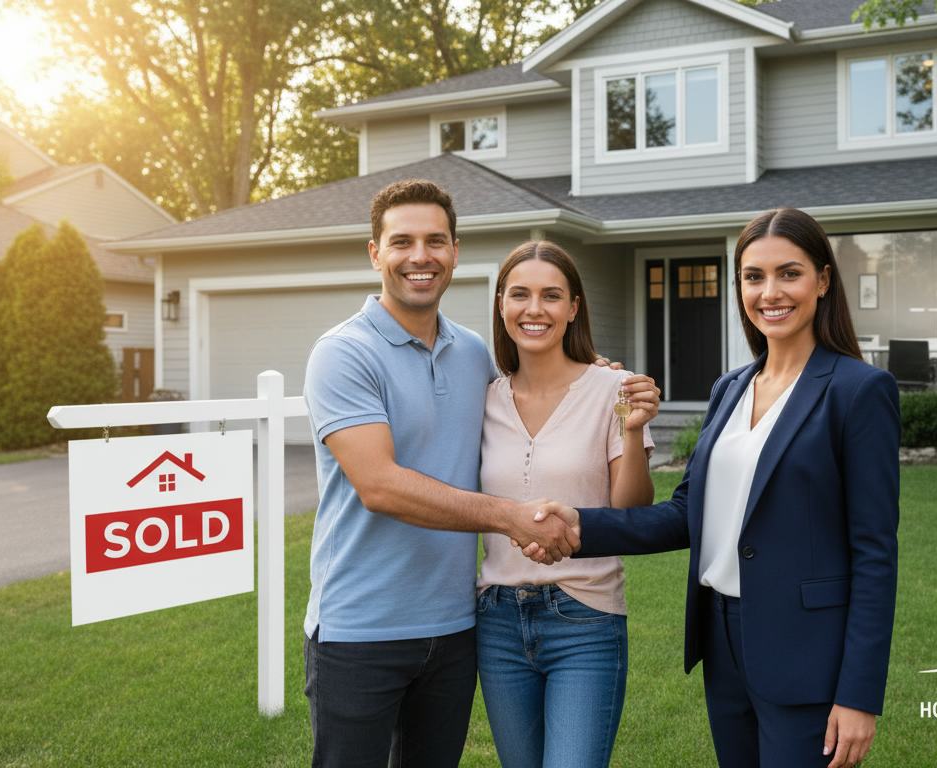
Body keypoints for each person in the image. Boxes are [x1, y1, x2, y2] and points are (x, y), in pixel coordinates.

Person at [527, 207, 901, 768]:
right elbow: (688, 512)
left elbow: (874, 553)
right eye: (753, 277)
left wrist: (859, 695)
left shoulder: (859, 390)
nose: (770, 292)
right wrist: (581, 526)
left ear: (823, 280)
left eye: (789, 273)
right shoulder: (731, 387)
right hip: (723, 641)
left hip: (806, 650)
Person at [301, 179, 585, 767]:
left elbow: (530, 402)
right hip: (360, 631)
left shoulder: (474, 352)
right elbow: (380, 485)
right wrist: (508, 517)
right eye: (401, 242)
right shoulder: (343, 352)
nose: (420, 256)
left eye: (435, 241)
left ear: (455, 251)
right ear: (375, 253)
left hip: (455, 629)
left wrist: (599, 380)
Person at [475, 241, 659, 768]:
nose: (534, 309)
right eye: (520, 295)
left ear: (574, 307)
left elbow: (630, 510)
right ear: (501, 305)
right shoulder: (484, 399)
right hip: (497, 621)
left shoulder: (614, 388)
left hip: (584, 616)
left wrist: (632, 430)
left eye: (551, 296)